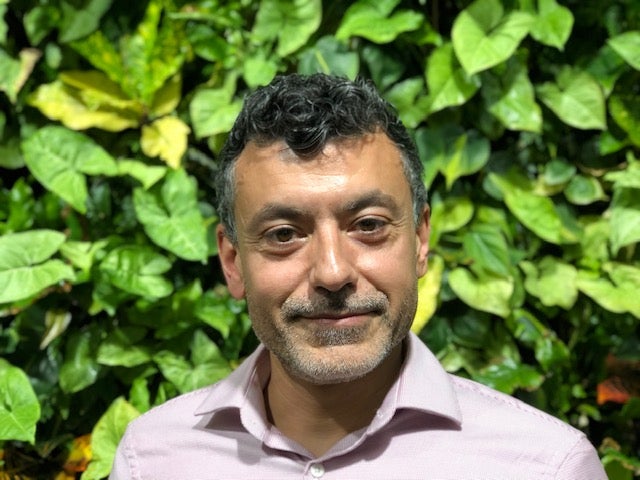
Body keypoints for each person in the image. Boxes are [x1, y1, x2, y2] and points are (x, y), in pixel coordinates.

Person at [109, 73, 606, 479]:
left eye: (368, 226)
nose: (332, 272)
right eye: (284, 234)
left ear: (420, 241)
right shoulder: (152, 460)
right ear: (233, 261)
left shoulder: (546, 466)